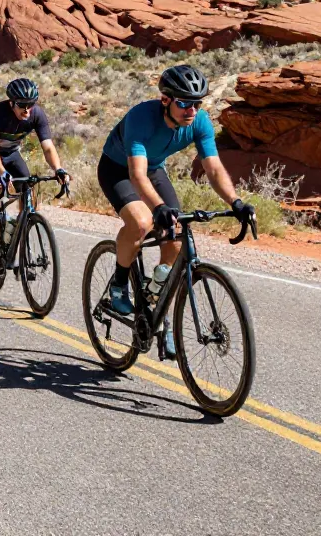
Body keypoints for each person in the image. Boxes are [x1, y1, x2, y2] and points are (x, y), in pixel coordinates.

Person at [98, 64, 253, 358]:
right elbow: (136, 175)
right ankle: (118, 285)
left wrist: (235, 202)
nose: (192, 110)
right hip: (119, 170)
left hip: (153, 170)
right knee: (142, 222)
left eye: (197, 103)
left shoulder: (200, 122)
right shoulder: (141, 118)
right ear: (166, 99)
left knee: (176, 234)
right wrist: (156, 208)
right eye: (184, 103)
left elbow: (213, 168)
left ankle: (157, 298)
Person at [0, 78, 68, 255]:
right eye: (22, 105)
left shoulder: (36, 114)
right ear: (11, 103)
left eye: (31, 104)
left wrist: (58, 169)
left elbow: (48, 147)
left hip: (11, 155)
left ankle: (18, 228)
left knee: (29, 190)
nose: (27, 110)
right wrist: (2, 173)